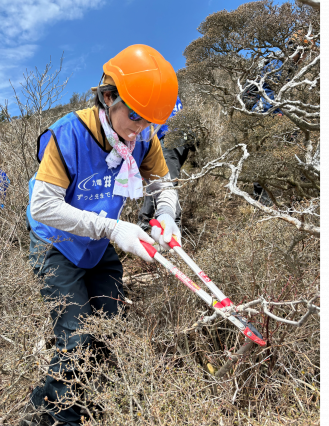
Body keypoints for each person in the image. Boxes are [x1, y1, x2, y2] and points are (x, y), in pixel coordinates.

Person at [24, 44, 181, 426]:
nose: (140, 128)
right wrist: (112, 227)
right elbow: (42, 206)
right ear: (108, 96)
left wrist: (165, 215)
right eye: (135, 116)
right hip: (56, 244)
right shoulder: (69, 134)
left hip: (97, 245)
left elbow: (163, 186)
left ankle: (90, 400)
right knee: (74, 334)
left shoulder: (142, 137)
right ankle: (54, 416)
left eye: (149, 121)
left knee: (110, 327)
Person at [138, 96, 189, 231]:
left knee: (167, 183)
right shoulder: (171, 92)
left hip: (167, 138)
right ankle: (145, 219)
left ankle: (171, 226)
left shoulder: (154, 90)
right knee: (158, 180)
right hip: (181, 138)